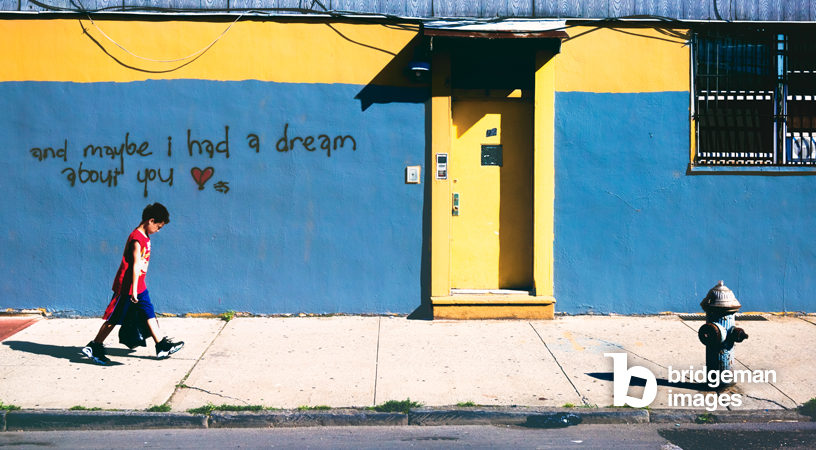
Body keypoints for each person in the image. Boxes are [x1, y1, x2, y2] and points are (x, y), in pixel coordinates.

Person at [82, 203, 184, 365]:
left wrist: (139, 287)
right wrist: (134, 290)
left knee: (149, 312)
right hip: (128, 287)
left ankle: (162, 346)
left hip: (139, 286)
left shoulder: (145, 236)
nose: (158, 230)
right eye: (158, 226)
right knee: (114, 318)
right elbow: (136, 264)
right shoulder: (136, 238)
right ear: (151, 221)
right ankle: (94, 346)